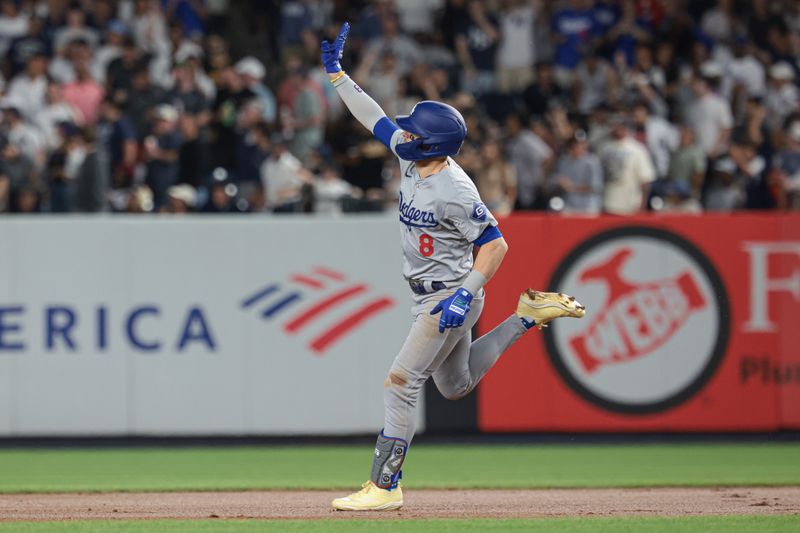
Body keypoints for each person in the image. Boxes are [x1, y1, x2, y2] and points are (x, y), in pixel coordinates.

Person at [321, 22, 586, 512]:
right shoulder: (411, 154)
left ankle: (385, 484)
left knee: (399, 384)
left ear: (430, 145)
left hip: (449, 292)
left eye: (414, 130)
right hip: (431, 290)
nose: (404, 131)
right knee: (456, 384)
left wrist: (467, 292)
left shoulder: (457, 190)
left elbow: (496, 245)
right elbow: (373, 116)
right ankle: (528, 315)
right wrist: (338, 74)